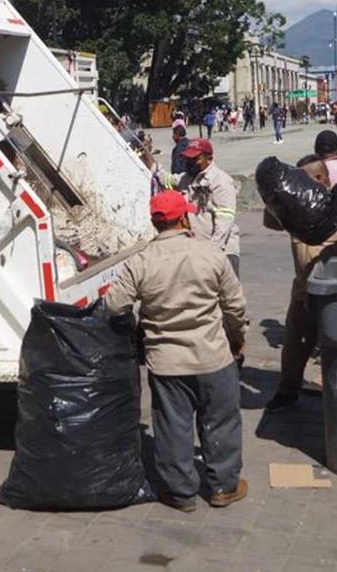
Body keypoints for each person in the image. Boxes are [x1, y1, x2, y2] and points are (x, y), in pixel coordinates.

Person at [104, 190, 249, 512]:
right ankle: (224, 487)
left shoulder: (140, 261)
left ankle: (181, 494)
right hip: (214, 356)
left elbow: (114, 306)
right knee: (222, 422)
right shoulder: (211, 253)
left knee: (173, 427)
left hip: (167, 363)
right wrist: (237, 338)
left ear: (155, 223)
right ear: (184, 218)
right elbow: (235, 307)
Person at [265, 155, 337, 411]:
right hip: (304, 291)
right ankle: (288, 390)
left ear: (320, 178)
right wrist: (274, 198)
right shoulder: (295, 204)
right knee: (294, 344)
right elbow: (271, 223)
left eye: (303, 179)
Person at [160, 138, 242, 275]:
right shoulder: (187, 178)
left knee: (226, 295)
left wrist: (211, 252)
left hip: (221, 252)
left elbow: (224, 222)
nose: (189, 163)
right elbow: (168, 180)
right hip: (199, 251)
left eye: (194, 159)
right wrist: (151, 164)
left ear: (208, 158)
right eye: (187, 159)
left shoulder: (220, 181)